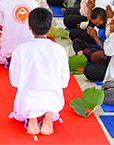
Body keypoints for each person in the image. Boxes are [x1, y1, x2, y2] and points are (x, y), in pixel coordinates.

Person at [9, 7, 70, 136]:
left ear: (29, 27)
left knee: (21, 110)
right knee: (52, 107)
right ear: (49, 28)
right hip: (53, 100)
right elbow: (64, 82)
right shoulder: (59, 50)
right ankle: (48, 115)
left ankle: (32, 118)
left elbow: (14, 81)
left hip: (27, 101)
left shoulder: (21, 49)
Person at [0, 0, 39, 66]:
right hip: (29, 47)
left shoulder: (3, 4)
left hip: (9, 48)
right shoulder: (34, 4)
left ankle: (11, 57)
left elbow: (0, 27)